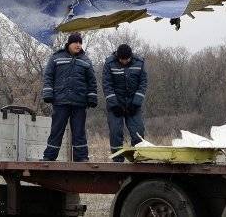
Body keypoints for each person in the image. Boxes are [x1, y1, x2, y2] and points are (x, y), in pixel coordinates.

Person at [42, 32, 98, 162]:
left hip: (79, 103)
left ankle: (82, 158)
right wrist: (48, 94)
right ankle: (49, 157)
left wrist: (92, 97)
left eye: (80, 43)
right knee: (56, 130)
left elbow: (92, 81)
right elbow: (48, 76)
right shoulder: (56, 57)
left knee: (79, 132)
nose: (78, 45)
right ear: (69, 44)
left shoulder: (85, 60)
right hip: (60, 101)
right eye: (76, 42)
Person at [103, 43, 147, 162]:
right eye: (121, 59)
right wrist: (114, 105)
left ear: (130, 57)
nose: (124, 62)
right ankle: (118, 160)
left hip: (133, 104)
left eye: (126, 59)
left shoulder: (140, 63)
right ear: (118, 57)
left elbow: (143, 84)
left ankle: (137, 159)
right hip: (116, 105)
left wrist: (136, 103)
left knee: (138, 131)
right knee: (115, 132)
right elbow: (107, 85)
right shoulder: (109, 63)